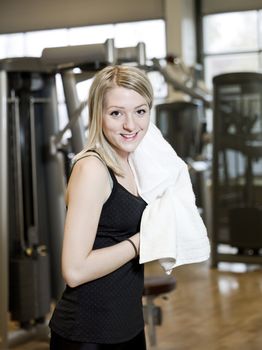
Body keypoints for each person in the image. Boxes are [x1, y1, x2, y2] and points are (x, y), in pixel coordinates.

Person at [49, 65, 154, 350]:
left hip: (127, 324)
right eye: (117, 113)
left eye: (140, 111)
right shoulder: (93, 169)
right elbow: (74, 269)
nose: (131, 125)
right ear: (99, 114)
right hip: (88, 334)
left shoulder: (134, 161)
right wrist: (139, 242)